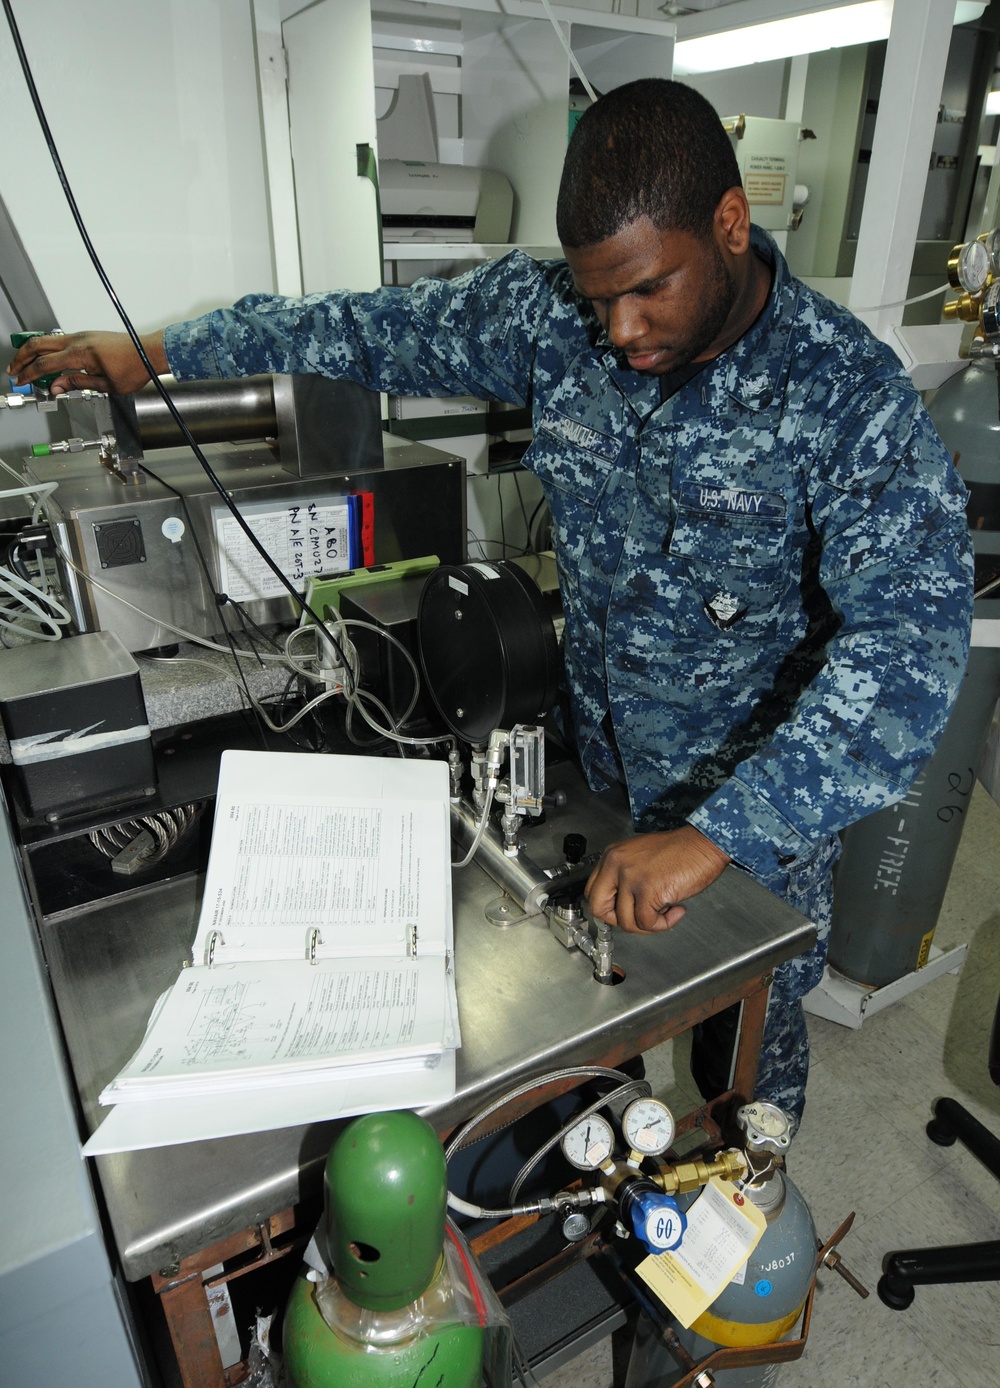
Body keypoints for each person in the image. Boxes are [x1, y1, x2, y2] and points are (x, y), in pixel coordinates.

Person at [8, 79, 973, 1126]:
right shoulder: (551, 318)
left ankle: (750, 1183)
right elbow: (358, 328)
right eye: (599, 296)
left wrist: (714, 833)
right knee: (599, 1023)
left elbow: (909, 657)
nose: (619, 328)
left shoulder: (843, 394)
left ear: (731, 226)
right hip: (595, 763)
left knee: (746, 1051)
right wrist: (156, 355)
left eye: (647, 288)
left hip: (760, 807)